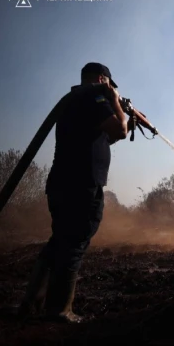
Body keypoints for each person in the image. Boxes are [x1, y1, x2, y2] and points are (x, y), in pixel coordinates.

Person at [17, 62, 129, 323]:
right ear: (102, 79)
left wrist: (126, 116)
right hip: (81, 184)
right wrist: (115, 101)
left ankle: (31, 303)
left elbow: (105, 136)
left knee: (59, 241)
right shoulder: (96, 95)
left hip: (62, 182)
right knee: (75, 243)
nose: (113, 90)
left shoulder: (75, 99)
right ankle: (59, 310)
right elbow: (119, 131)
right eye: (111, 85)